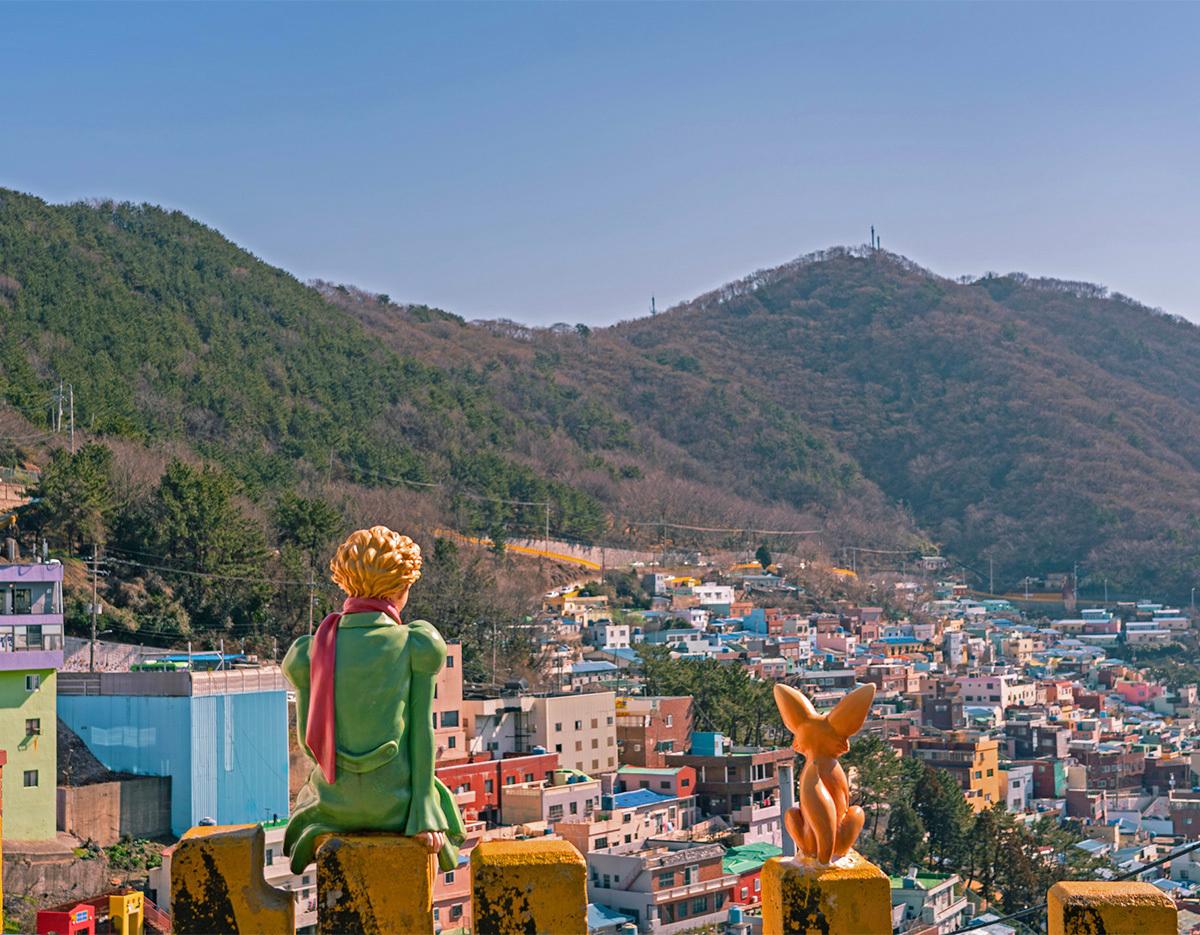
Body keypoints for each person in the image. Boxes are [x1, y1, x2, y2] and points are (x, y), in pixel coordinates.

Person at [282, 525, 465, 873]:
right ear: (402, 588)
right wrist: (424, 813)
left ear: (345, 582)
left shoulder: (308, 652)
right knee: (440, 797)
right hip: (398, 807)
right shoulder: (416, 643)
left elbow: (310, 747)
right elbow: (420, 735)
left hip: (333, 805)